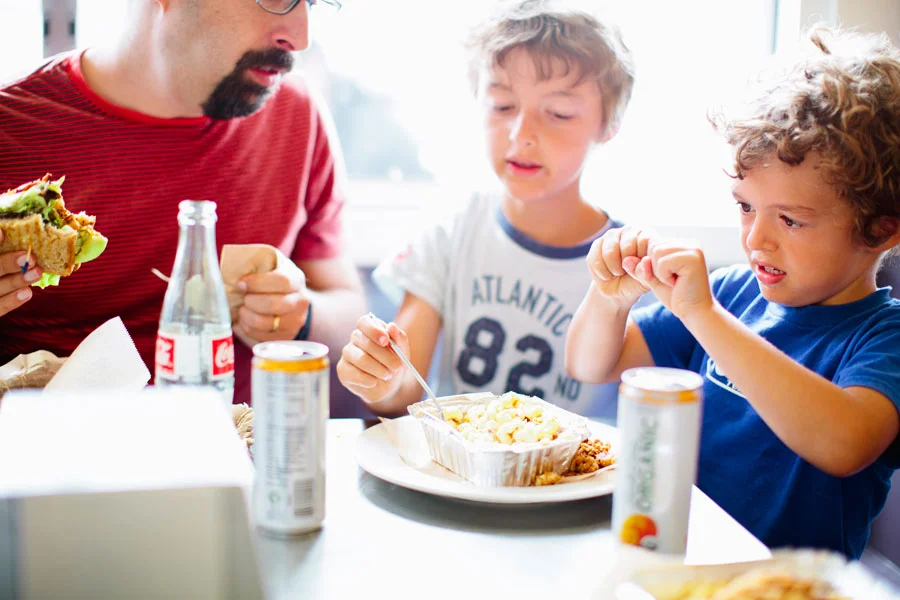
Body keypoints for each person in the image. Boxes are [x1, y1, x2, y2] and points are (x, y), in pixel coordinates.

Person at [566, 26, 900, 558]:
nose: (755, 238)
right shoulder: (731, 294)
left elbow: (844, 444)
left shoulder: (884, 337)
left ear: (881, 229)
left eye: (789, 220)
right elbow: (591, 366)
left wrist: (706, 317)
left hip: (786, 590)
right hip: (684, 569)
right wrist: (609, 299)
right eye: (745, 206)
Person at [0, 0, 365, 406]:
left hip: (242, 452)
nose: (300, 37)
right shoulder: (10, 124)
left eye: (312, 3)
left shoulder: (297, 116)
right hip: (48, 455)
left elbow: (348, 310)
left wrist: (302, 314)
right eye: (277, 0)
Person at [336, 0, 635, 417]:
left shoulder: (626, 266)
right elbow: (403, 388)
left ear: (608, 125)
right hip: (461, 475)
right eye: (502, 106)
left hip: (575, 478)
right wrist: (380, 377)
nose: (521, 134)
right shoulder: (452, 234)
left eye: (558, 113)